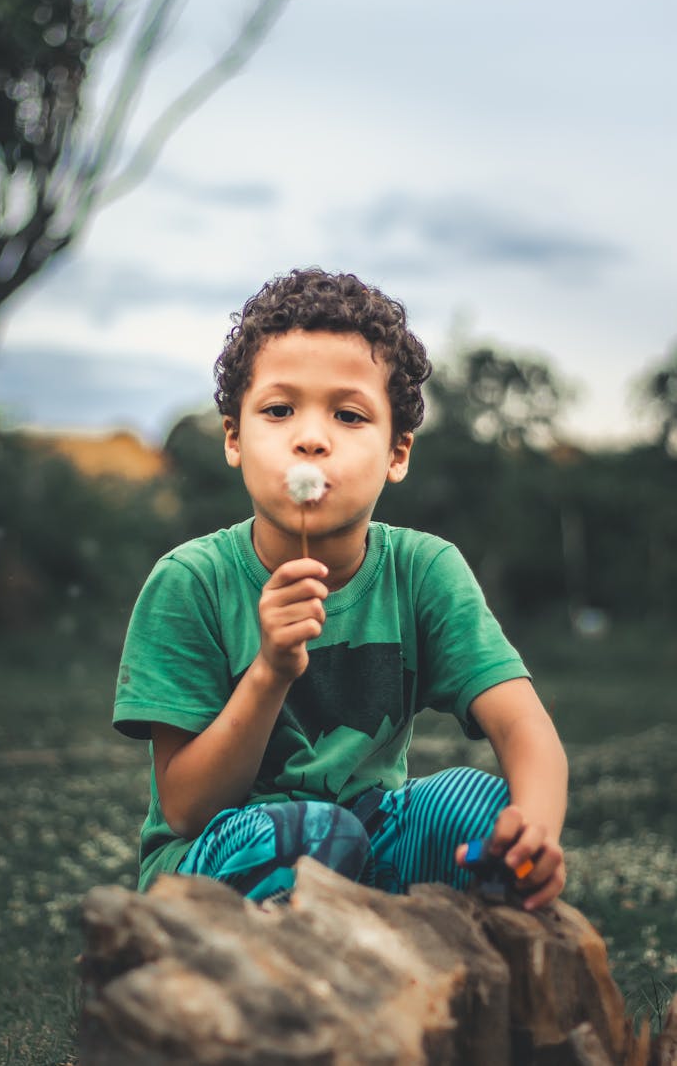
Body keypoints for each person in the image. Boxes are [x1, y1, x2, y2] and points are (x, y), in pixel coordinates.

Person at [114, 268, 567, 910]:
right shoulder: (191, 583)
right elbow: (186, 807)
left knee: (481, 811)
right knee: (313, 836)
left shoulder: (423, 571)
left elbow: (523, 725)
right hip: (213, 863)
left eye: (349, 415)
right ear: (234, 438)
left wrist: (536, 829)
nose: (310, 438)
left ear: (397, 452)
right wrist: (270, 671)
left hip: (369, 841)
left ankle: (445, 963)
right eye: (278, 410)